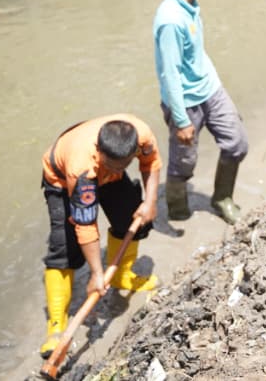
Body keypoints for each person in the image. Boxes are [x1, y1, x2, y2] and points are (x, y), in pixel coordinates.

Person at [39, 115, 160, 355]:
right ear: (99, 149)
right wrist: (96, 273)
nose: (116, 170)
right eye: (112, 165)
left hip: (106, 177)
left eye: (123, 166)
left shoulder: (142, 135)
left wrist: (151, 200)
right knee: (64, 249)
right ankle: (55, 325)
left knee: (134, 220)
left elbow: (151, 163)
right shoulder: (81, 166)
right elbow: (86, 225)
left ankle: (120, 275)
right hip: (62, 181)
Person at [154, 0, 249, 225]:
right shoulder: (170, 20)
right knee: (183, 163)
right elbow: (169, 74)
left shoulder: (191, 5)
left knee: (237, 143)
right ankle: (177, 208)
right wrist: (182, 120)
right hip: (185, 101)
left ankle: (222, 198)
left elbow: (195, 52)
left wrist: (213, 79)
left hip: (211, 90)